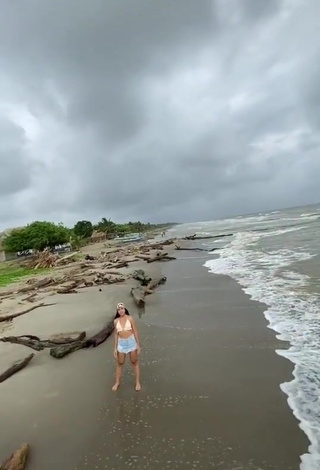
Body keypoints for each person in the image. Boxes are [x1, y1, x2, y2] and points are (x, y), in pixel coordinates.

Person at [112, 302, 141, 391]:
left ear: (125, 309)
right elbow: (116, 335)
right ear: (117, 311)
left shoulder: (130, 319)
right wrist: (115, 347)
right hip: (121, 344)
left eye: (122, 308)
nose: (121, 310)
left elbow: (135, 331)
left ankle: (137, 382)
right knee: (120, 363)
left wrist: (138, 345)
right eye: (119, 309)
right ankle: (117, 382)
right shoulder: (115, 321)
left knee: (134, 362)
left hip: (131, 342)